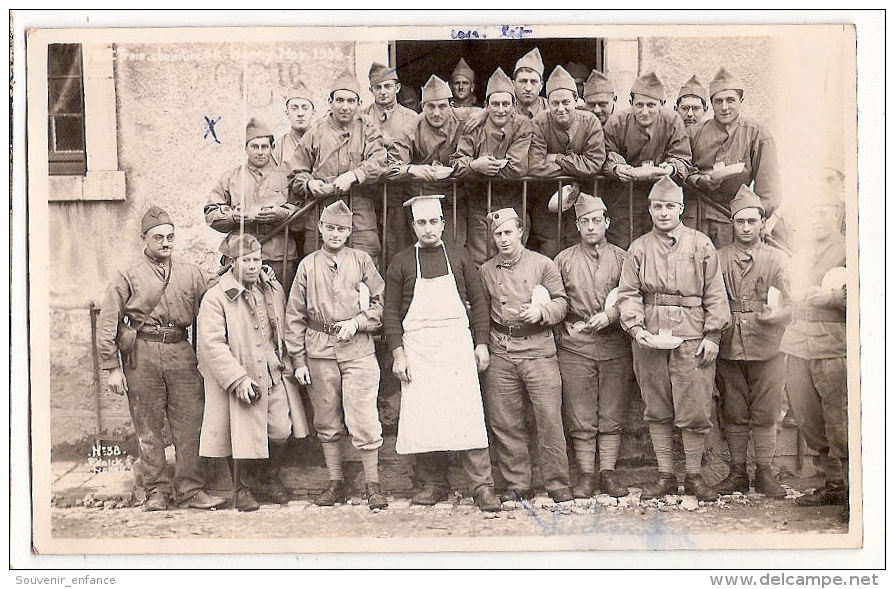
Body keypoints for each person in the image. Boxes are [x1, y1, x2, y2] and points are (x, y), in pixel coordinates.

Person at [96, 206, 224, 512]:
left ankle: (191, 489)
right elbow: (107, 322)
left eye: (170, 236)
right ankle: (156, 490)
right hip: (143, 352)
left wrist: (252, 271)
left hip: (180, 351)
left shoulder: (191, 272)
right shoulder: (127, 275)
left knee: (190, 423)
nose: (166, 242)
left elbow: (221, 287)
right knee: (149, 426)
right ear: (144, 239)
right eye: (158, 237)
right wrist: (112, 367)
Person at [383, 195, 501, 512]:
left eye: (434, 222)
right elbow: (391, 313)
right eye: (422, 223)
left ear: (443, 224)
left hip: (456, 347)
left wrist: (481, 343)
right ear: (413, 227)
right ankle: (433, 482)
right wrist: (398, 354)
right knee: (425, 417)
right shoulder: (402, 261)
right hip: (418, 349)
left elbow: (479, 304)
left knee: (468, 415)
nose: (428, 228)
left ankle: (481, 486)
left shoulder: (460, 258)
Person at [617, 176, 731, 501]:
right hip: (651, 336)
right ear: (650, 209)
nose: (663, 213)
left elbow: (716, 294)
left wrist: (713, 335)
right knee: (657, 406)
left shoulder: (700, 244)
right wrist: (636, 329)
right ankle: (665, 475)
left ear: (680, 208)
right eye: (657, 207)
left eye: (670, 206)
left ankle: (694, 476)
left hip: (692, 334)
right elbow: (628, 293)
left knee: (695, 405)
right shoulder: (638, 248)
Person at [284, 200, 388, 510]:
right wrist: (299, 360)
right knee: (327, 420)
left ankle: (373, 485)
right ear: (320, 228)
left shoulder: (362, 261)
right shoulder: (308, 265)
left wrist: (357, 323)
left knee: (364, 418)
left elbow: (380, 306)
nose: (335, 234)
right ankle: (335, 482)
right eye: (329, 227)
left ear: (349, 231)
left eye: (341, 229)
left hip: (358, 351)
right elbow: (294, 316)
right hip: (319, 352)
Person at [197, 233, 310, 511]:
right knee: (240, 434)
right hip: (241, 374)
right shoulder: (216, 298)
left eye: (257, 259)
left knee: (282, 430)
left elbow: (283, 328)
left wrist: (291, 362)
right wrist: (237, 379)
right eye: (245, 260)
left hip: (273, 372)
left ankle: (267, 477)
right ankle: (241, 487)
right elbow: (212, 345)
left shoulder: (272, 289)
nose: (252, 266)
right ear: (231, 262)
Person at [478, 208, 573, 504]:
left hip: (539, 350)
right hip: (501, 350)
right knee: (505, 420)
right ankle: (518, 482)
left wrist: (541, 311)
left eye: (508, 232)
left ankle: (557, 481)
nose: (504, 240)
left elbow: (562, 303)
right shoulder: (485, 270)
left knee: (549, 417)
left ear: (521, 231)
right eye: (498, 234)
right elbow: (481, 312)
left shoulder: (543, 264)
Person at [554, 193, 634, 498]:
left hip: (614, 344)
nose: (591, 227)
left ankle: (607, 472)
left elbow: (631, 295)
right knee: (580, 412)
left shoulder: (624, 258)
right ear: (577, 225)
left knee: (612, 411)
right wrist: (566, 322)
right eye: (585, 221)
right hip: (576, 344)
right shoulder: (563, 260)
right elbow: (555, 298)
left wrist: (612, 315)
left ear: (607, 222)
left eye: (596, 220)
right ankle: (586, 474)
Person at [713, 185, 790, 498]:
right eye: (740, 221)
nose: (746, 227)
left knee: (767, 411)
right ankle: (737, 473)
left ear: (761, 223)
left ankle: (765, 472)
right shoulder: (718, 258)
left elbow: (793, 302)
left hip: (768, 344)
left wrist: (779, 314)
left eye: (752, 221)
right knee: (733, 410)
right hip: (730, 344)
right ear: (733, 224)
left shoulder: (777, 259)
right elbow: (711, 298)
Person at [780, 170, 848, 516]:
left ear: (836, 213)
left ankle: (856, 491)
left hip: (833, 344)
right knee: (808, 417)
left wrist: (835, 298)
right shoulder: (800, 252)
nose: (816, 218)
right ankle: (832, 485)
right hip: (797, 343)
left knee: (839, 419)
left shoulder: (853, 248)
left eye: (823, 212)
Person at [290, 70, 389, 267]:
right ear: (330, 102)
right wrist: (310, 184)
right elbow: (295, 175)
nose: (345, 106)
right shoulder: (314, 133)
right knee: (319, 270)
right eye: (340, 100)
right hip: (321, 213)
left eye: (351, 101)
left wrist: (355, 174)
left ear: (359, 104)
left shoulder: (367, 130)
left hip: (360, 215)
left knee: (364, 267)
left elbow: (380, 160)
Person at [684, 67, 782, 248]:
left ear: (741, 101)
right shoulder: (692, 133)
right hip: (695, 218)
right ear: (711, 103)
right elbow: (681, 169)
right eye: (718, 101)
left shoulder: (757, 135)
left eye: (730, 100)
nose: (724, 107)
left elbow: (769, 193)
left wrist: (752, 219)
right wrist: (700, 179)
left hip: (732, 220)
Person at [451, 67, 533, 265]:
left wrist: (482, 168)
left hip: (513, 201)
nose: (501, 109)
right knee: (481, 260)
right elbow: (456, 164)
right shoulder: (473, 126)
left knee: (513, 258)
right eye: (495, 104)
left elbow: (517, 168)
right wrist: (474, 166)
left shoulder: (523, 125)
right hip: (480, 204)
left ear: (514, 105)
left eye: (506, 104)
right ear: (486, 105)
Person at [206, 118, 299, 288]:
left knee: (277, 305)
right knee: (240, 306)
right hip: (239, 254)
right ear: (246, 148)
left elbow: (302, 211)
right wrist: (233, 217)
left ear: (272, 148)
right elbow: (211, 213)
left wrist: (281, 214)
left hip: (277, 256)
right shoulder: (231, 177)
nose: (260, 152)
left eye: (265, 147)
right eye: (254, 147)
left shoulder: (288, 176)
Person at [603, 72, 692, 249]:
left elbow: (682, 158)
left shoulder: (673, 121)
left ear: (662, 104)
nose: (645, 111)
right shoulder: (617, 123)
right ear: (631, 104)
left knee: (660, 248)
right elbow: (605, 154)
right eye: (639, 105)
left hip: (661, 196)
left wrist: (671, 168)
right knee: (623, 246)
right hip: (624, 196)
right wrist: (617, 168)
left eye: (651, 105)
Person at [529, 65, 607, 257]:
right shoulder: (539, 123)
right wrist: (576, 167)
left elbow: (594, 164)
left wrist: (557, 158)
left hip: (583, 197)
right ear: (547, 103)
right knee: (550, 250)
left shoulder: (590, 122)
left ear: (576, 100)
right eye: (555, 103)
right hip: (546, 199)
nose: (560, 108)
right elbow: (534, 165)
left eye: (566, 102)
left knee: (580, 251)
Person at [388, 74, 467, 248]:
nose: (437, 113)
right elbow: (390, 166)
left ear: (451, 105)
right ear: (422, 106)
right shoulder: (412, 128)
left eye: (442, 106)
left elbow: (490, 113)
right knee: (425, 251)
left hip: (453, 200)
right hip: (422, 199)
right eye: (431, 106)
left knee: (454, 248)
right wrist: (410, 169)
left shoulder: (464, 119)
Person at [365, 62, 421, 258]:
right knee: (371, 249)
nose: (383, 92)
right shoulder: (361, 117)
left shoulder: (413, 118)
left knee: (399, 250)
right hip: (368, 195)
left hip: (400, 195)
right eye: (377, 87)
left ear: (397, 88)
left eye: (387, 86)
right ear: (370, 89)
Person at [273, 81, 316, 170]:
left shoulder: (323, 143)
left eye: (305, 108)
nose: (300, 113)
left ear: (313, 112)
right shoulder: (278, 147)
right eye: (294, 108)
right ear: (287, 113)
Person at [513, 48, 549, 119]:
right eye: (523, 81)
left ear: (541, 85)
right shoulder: (504, 110)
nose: (528, 88)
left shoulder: (552, 109)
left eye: (533, 82)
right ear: (513, 84)